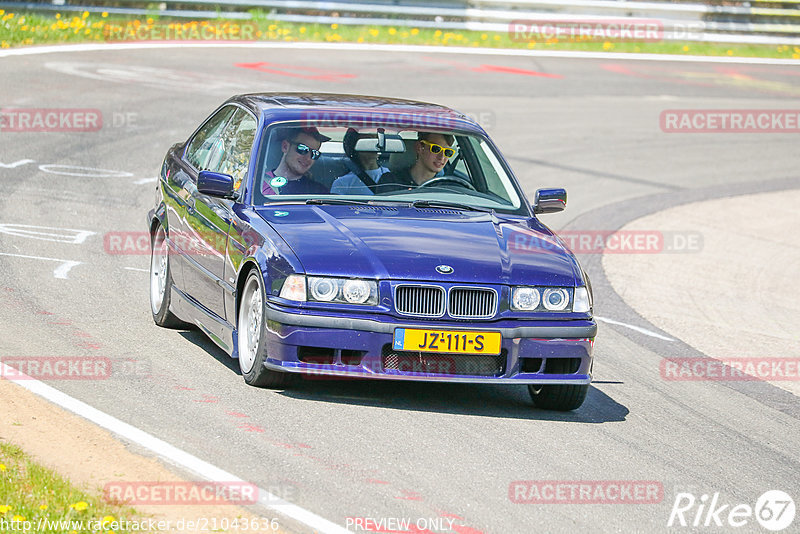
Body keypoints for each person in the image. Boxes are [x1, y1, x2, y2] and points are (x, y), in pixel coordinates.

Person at [377, 132, 456, 192]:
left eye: (448, 152)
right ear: (419, 147)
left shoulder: (448, 189)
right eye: (436, 149)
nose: (442, 157)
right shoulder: (390, 182)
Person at [262, 127, 330, 196]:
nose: (308, 158)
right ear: (285, 147)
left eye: (314, 153)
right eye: (303, 149)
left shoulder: (320, 193)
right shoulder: (259, 185)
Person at [330, 128, 390, 195]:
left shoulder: (393, 177)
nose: (375, 145)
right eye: (368, 140)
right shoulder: (342, 183)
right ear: (353, 146)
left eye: (377, 140)